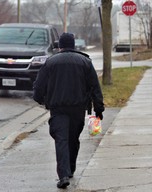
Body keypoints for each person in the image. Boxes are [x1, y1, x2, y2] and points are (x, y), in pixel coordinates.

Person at [33, 32, 105, 189]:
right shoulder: (85, 62)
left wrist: (41, 99)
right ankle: (69, 170)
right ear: (73, 45)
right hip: (78, 109)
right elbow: (94, 87)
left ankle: (64, 174)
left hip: (58, 109)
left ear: (59, 46)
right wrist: (98, 108)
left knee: (62, 140)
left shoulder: (50, 62)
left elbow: (39, 86)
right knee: (73, 139)